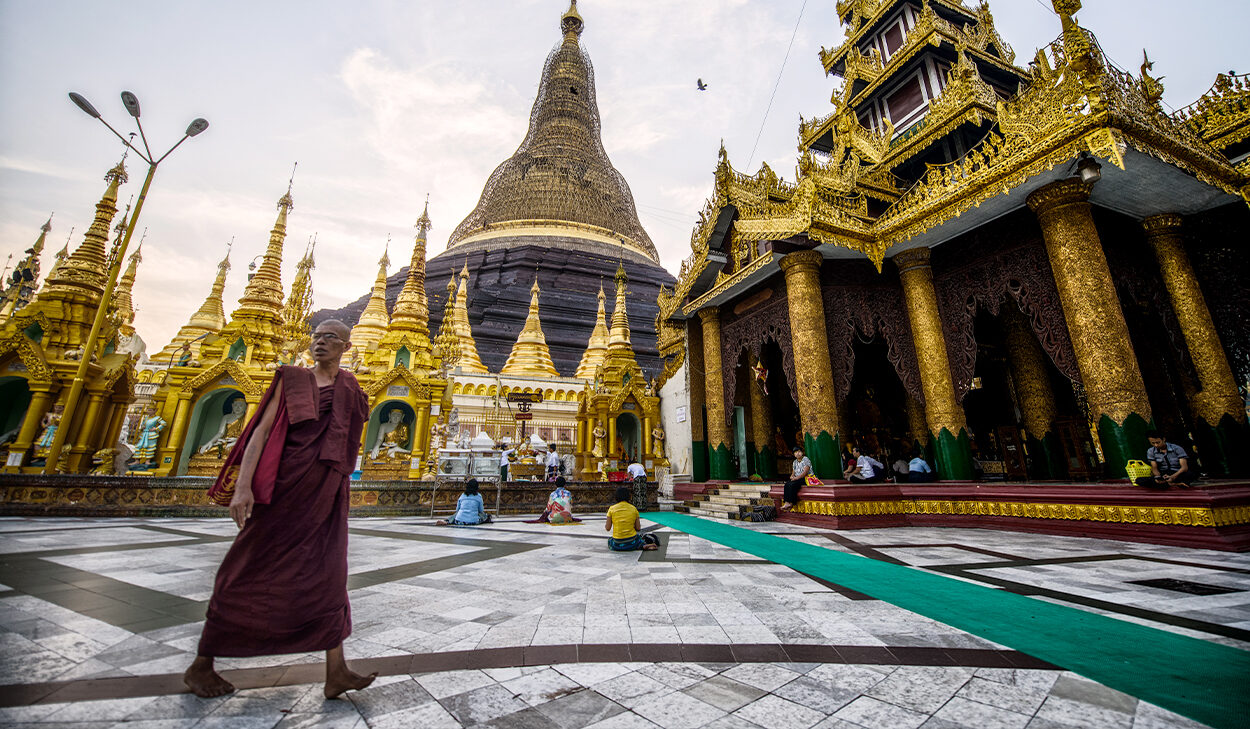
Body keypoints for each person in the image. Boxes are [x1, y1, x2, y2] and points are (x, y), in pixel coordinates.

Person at [184, 320, 375, 700]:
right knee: (247, 568)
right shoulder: (291, 379)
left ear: (346, 347)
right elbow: (260, 432)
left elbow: (349, 435)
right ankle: (201, 664)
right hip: (282, 489)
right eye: (316, 336)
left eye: (330, 338)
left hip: (326, 492)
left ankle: (336, 670)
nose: (320, 343)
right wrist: (242, 486)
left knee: (328, 573)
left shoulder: (351, 386)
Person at [605, 486, 659, 551]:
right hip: (631, 541)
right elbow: (638, 528)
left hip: (617, 543)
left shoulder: (611, 509)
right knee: (638, 538)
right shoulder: (633, 509)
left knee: (610, 540)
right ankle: (642, 545)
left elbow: (608, 528)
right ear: (629, 497)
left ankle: (635, 546)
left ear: (616, 497)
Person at [781, 446, 810, 511]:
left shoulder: (806, 459)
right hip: (797, 478)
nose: (798, 453)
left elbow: (805, 472)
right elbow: (793, 473)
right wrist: (792, 477)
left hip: (806, 478)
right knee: (787, 484)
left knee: (793, 485)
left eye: (799, 451)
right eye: (796, 452)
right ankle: (786, 502)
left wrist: (796, 478)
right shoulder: (795, 462)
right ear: (794, 454)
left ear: (802, 453)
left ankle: (791, 503)